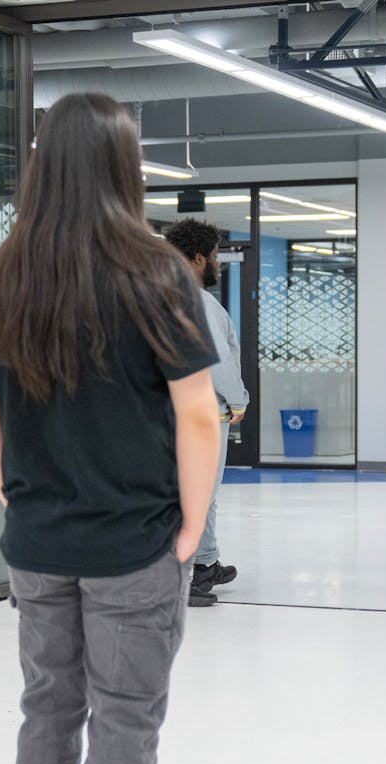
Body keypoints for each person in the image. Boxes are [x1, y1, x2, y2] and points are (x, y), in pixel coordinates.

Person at [0, 92, 220, 764]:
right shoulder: (155, 271)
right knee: (125, 717)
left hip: (38, 544)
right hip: (132, 542)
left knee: (49, 710)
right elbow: (200, 416)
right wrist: (191, 529)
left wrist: (9, 494)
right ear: (123, 166)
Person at [162, 218, 249, 607]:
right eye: (214, 256)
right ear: (199, 258)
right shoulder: (200, 304)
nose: (217, 263)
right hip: (201, 418)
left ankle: (206, 562)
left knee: (203, 496)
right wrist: (239, 401)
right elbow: (216, 362)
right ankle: (187, 579)